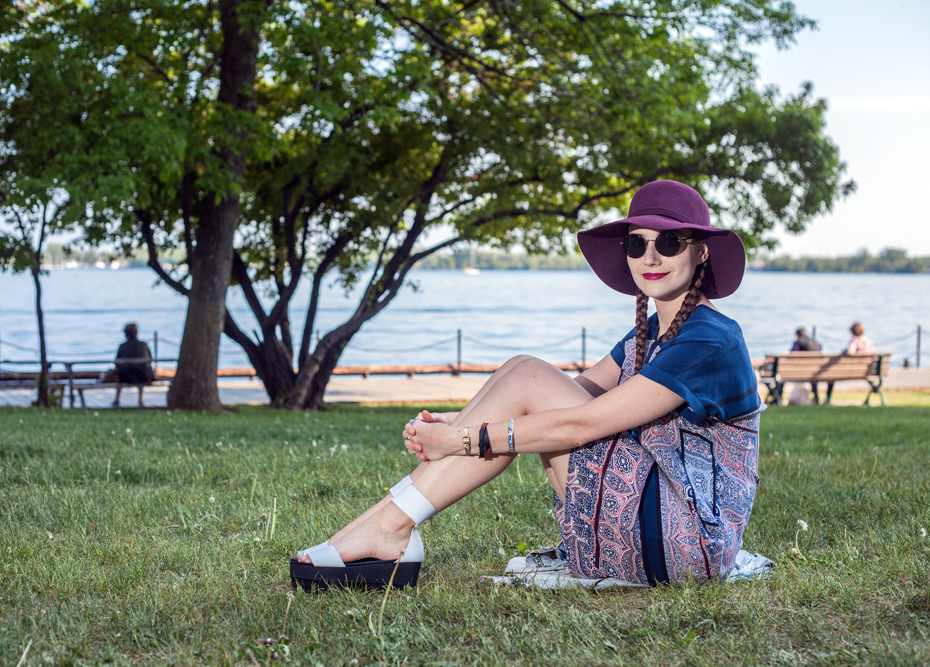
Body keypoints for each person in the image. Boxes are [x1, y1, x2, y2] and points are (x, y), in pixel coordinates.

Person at [290, 180, 762, 591]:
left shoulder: (711, 338)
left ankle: (390, 529)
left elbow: (582, 423)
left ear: (700, 251)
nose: (651, 256)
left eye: (670, 242)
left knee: (528, 373)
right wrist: (466, 420)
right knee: (523, 370)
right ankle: (373, 529)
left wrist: (463, 440)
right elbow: (570, 390)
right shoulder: (649, 337)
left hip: (686, 543)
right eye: (636, 245)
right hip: (641, 531)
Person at [824, 322, 876, 404]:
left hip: (852, 370)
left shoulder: (855, 340)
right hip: (867, 370)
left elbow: (850, 352)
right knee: (873, 383)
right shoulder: (870, 342)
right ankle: (869, 398)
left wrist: (843, 352)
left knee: (831, 376)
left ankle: (828, 398)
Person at [112, 323, 155, 408]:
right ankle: (140, 399)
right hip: (143, 376)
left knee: (120, 373)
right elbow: (150, 359)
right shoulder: (143, 345)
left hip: (126, 376)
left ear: (125, 334)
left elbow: (116, 361)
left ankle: (117, 399)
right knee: (141, 371)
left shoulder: (122, 346)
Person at [785, 327, 822, 404]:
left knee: (781, 375)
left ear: (797, 335)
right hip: (815, 372)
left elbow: (791, 355)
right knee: (813, 377)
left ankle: (777, 396)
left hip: (801, 372)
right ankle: (815, 396)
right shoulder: (815, 343)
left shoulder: (798, 343)